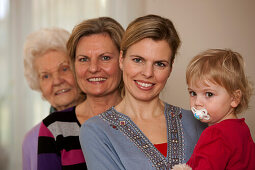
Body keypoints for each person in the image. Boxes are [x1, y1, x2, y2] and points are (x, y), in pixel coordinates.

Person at [79, 14, 206, 169]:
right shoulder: (96, 131)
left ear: (171, 67)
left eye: (160, 64)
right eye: (138, 60)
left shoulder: (197, 122)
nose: (147, 73)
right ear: (121, 59)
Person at [37, 17, 124, 170]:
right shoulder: (54, 127)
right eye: (84, 59)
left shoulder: (144, 120)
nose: (93, 68)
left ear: (123, 61)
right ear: (74, 65)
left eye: (105, 57)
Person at [173, 49, 255, 169]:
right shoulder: (242, 128)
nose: (197, 102)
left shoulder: (215, 134)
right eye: (193, 93)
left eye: (209, 94)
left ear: (234, 98)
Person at [22, 28, 84, 170]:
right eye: (46, 76)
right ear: (39, 87)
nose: (57, 81)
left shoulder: (101, 123)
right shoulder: (31, 140)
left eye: (64, 69)